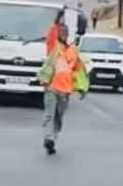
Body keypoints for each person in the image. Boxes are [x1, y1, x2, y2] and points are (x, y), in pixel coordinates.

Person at [37, 24, 88, 155]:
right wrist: (56, 21)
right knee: (49, 114)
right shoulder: (53, 47)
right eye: (61, 32)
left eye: (65, 32)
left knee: (59, 117)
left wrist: (82, 89)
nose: (63, 34)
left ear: (68, 34)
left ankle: (52, 138)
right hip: (51, 87)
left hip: (65, 91)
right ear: (58, 34)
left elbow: (79, 71)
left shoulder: (73, 50)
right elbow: (49, 37)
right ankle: (48, 139)